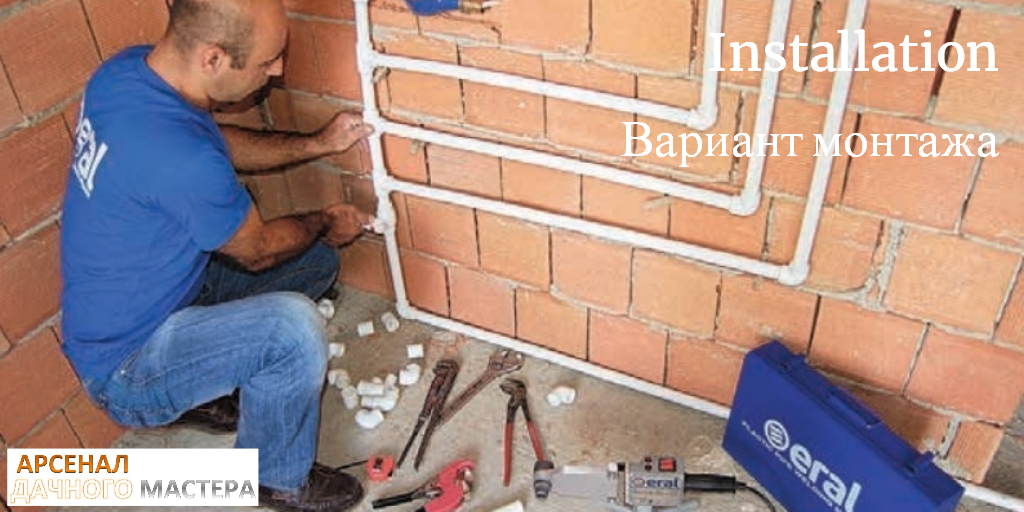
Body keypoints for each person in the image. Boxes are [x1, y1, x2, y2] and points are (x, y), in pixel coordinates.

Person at [59, 0, 374, 510]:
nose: (279, 70)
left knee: (316, 265)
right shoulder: (183, 161)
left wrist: (318, 143)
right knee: (292, 330)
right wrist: (324, 220)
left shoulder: (124, 74)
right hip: (125, 367)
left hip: (160, 296)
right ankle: (273, 478)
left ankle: (196, 393)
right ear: (213, 58)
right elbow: (257, 252)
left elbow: (211, 142)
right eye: (267, 61)